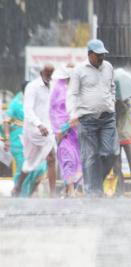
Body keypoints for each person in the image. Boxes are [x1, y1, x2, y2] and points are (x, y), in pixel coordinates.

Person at [67, 39, 119, 196]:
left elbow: (112, 87)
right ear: (89, 54)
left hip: (107, 117)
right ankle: (92, 191)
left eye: (103, 54)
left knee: (110, 153)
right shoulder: (79, 70)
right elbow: (72, 94)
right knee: (90, 156)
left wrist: (112, 102)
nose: (101, 57)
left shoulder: (108, 67)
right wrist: (73, 114)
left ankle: (94, 184)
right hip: (87, 119)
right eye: (98, 55)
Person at [12, 64, 56, 197]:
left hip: (47, 130)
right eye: (47, 72)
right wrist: (39, 125)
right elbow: (28, 110)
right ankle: (17, 187)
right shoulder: (32, 87)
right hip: (33, 130)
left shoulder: (52, 87)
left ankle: (53, 194)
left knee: (51, 157)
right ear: (42, 72)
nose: (49, 75)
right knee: (30, 162)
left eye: (51, 72)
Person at [3, 82, 47, 197]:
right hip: (18, 140)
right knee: (23, 166)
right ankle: (19, 194)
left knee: (40, 168)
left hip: (34, 138)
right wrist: (7, 139)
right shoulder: (16, 102)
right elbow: (7, 121)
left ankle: (26, 195)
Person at [50, 64, 82, 197]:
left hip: (77, 135)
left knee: (78, 163)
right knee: (67, 161)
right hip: (64, 135)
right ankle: (70, 189)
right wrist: (61, 129)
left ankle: (69, 188)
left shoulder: (78, 94)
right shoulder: (59, 94)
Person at [113, 98, 131, 196]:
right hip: (116, 138)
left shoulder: (128, 104)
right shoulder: (113, 104)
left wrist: (119, 102)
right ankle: (119, 191)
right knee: (117, 167)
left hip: (127, 137)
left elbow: (124, 111)